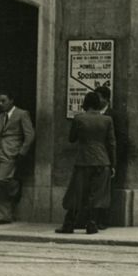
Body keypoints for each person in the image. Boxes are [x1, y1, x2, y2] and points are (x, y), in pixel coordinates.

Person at [57, 89, 117, 234]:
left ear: (85, 103)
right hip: (103, 161)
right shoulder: (107, 120)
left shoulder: (79, 118)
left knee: (76, 193)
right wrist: (113, 164)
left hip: (84, 161)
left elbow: (72, 138)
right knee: (97, 194)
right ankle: (92, 223)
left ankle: (69, 224)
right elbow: (112, 143)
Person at [0, 91, 35, 225]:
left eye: (3, 101)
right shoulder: (1, 116)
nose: (0, 104)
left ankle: (13, 191)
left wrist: (22, 152)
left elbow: (30, 135)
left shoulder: (22, 114)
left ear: (11, 100)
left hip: (12, 154)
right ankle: (2, 215)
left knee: (0, 180)